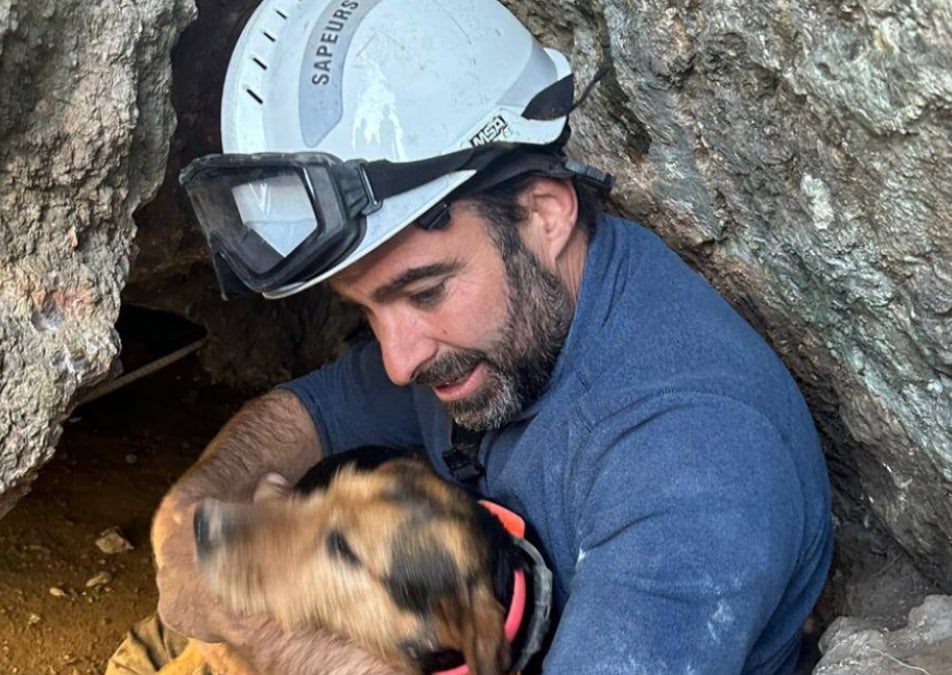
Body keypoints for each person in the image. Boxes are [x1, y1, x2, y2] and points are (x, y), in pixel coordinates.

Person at [120, 0, 833, 672]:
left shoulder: (695, 471)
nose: (396, 361)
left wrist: (261, 629)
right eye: (367, 309)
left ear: (544, 214)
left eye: (424, 290)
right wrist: (186, 515)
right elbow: (313, 412)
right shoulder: (504, 330)